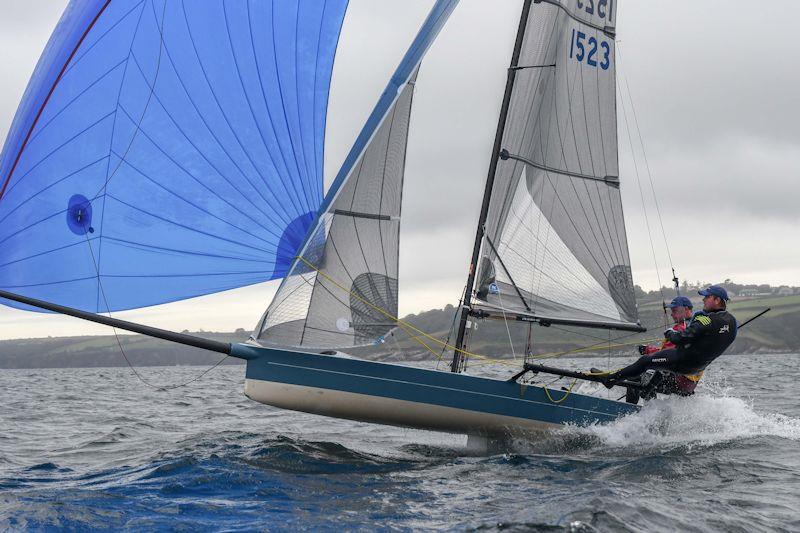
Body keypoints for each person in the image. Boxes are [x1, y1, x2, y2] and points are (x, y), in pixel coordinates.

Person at [603, 285, 737, 398]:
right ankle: (647, 405)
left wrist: (670, 333)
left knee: (644, 362)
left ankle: (610, 379)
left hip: (683, 362)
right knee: (656, 370)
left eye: (707, 297)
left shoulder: (706, 320)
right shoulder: (732, 323)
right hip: (695, 369)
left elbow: (679, 339)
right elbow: (717, 338)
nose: (703, 299)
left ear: (717, 300)